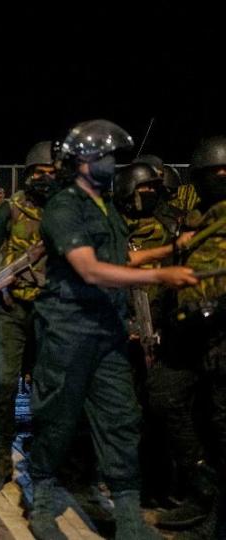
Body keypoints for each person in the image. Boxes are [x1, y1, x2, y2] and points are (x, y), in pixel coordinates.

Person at [27, 120, 196, 539]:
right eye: (104, 157)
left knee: (121, 421)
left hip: (106, 332)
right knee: (58, 421)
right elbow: (89, 269)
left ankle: (127, 518)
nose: (111, 164)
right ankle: (42, 504)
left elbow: (122, 259)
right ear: (80, 162)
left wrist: (173, 250)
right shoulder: (64, 207)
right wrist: (162, 276)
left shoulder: (105, 207)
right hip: (68, 333)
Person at [0, 142, 56, 492]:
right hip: (11, 309)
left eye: (51, 173)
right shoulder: (9, 210)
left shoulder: (69, 211)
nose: (43, 179)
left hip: (53, 314)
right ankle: (2, 455)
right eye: (37, 172)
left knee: (51, 388)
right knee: (2, 381)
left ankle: (49, 457)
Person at [157, 136, 226, 537]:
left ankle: (217, 513)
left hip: (221, 337)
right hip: (188, 333)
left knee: (221, 422)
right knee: (164, 395)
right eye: (211, 174)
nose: (219, 179)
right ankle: (203, 488)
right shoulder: (193, 218)